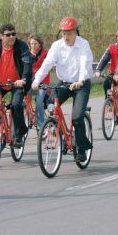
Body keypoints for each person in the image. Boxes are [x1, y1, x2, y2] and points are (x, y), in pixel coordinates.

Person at [32, 16, 93, 162]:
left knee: (77, 117)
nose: (66, 36)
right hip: (64, 82)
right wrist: (37, 80)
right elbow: (47, 63)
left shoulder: (83, 44)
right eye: (64, 33)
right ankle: (60, 134)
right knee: (51, 104)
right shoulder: (57, 46)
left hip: (81, 84)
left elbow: (85, 63)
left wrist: (80, 80)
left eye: (70, 33)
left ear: (76, 32)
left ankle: (82, 149)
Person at [94, 27, 118, 97]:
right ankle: (108, 101)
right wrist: (98, 70)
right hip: (114, 75)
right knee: (107, 82)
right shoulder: (112, 48)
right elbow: (104, 59)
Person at [27, 34, 50, 131]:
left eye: (35, 43)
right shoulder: (27, 54)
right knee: (23, 97)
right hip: (31, 81)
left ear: (40, 44)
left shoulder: (45, 53)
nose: (33, 46)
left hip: (43, 81)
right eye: (31, 43)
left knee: (39, 102)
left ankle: (41, 125)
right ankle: (28, 115)